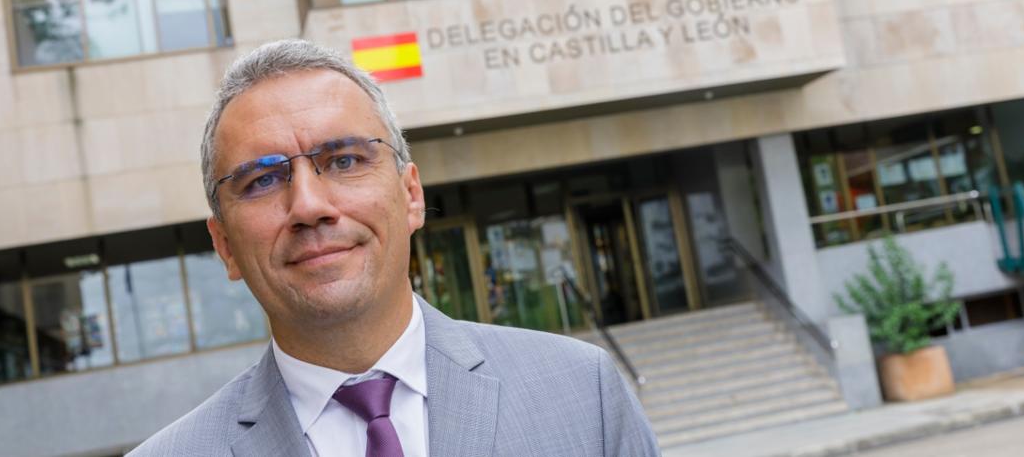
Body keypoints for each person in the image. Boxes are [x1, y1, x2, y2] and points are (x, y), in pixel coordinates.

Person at [129, 39, 660, 456]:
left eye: (343, 160)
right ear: (224, 245)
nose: (309, 205)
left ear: (410, 195)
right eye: (262, 180)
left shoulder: (581, 394)